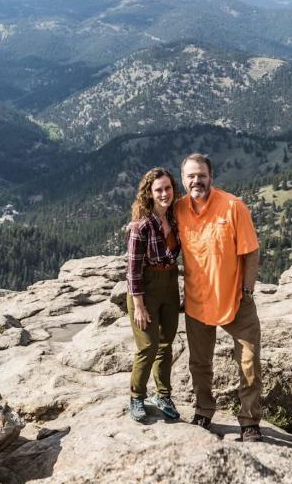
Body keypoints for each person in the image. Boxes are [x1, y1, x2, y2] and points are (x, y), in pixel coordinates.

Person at [174, 153, 263, 443]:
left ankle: (250, 421)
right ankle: (204, 410)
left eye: (201, 175)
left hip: (236, 299)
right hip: (197, 301)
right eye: (191, 176)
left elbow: (251, 252)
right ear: (183, 179)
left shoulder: (233, 206)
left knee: (248, 362)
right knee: (199, 363)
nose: (196, 181)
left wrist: (247, 291)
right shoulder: (178, 210)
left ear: (211, 176)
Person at [125, 167, 183, 423]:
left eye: (168, 188)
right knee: (147, 345)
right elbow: (133, 269)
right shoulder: (142, 226)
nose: (164, 194)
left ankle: (163, 394)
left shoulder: (175, 217)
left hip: (170, 283)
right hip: (146, 288)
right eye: (158, 189)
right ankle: (136, 397)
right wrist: (138, 305)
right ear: (149, 193)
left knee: (166, 342)